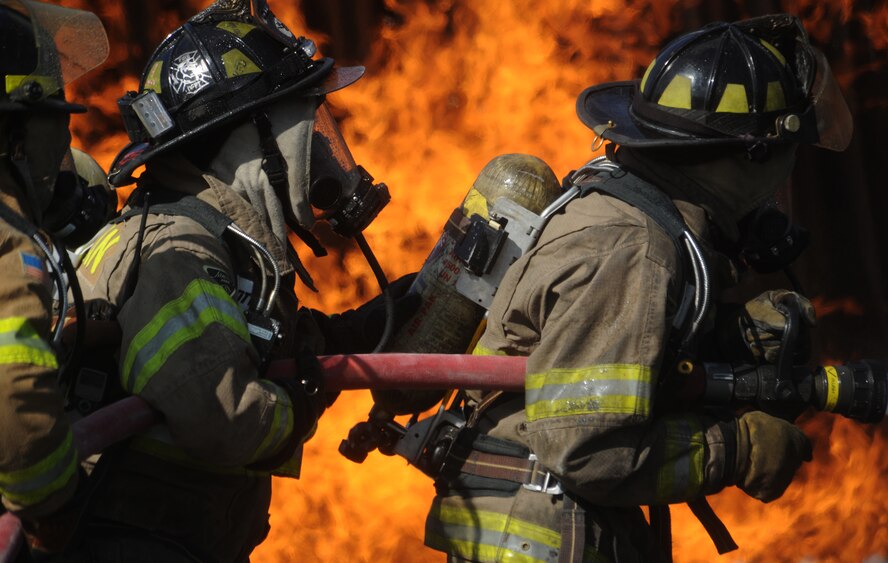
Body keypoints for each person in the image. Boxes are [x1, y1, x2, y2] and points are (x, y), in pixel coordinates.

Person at [421, 14, 852, 562]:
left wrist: (724, 336)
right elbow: (590, 450)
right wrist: (736, 449)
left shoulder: (633, 220)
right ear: (749, 155)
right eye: (787, 152)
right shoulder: (633, 247)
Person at [64, 0, 416, 561]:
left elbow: (240, 340)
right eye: (310, 128)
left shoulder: (215, 240)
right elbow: (219, 415)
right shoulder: (177, 251)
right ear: (250, 143)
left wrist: (348, 336)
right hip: (138, 543)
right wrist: (299, 403)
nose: (324, 151)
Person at [0, 0, 108, 555]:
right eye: (53, 125)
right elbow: (13, 394)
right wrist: (56, 510)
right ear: (14, 132)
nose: (64, 146)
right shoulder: (10, 243)